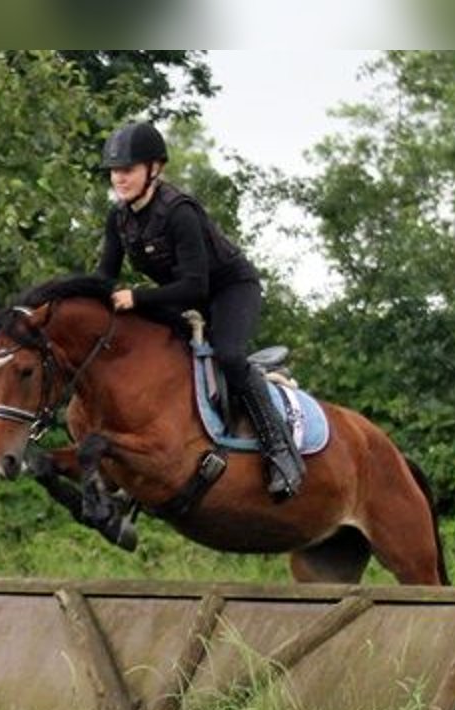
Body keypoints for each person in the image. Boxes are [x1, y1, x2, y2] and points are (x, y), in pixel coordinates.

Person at [95, 121, 304, 500]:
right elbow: (103, 279)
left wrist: (137, 299)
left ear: (153, 169)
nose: (118, 179)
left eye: (127, 170)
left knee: (228, 354)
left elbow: (196, 286)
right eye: (114, 171)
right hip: (183, 296)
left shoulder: (179, 212)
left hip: (229, 289)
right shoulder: (120, 218)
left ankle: (282, 453)